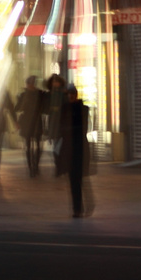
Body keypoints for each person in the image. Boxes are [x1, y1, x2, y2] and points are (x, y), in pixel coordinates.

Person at [59, 84, 91, 217]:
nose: (70, 96)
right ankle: (77, 208)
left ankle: (78, 208)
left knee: (77, 179)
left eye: (72, 94)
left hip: (79, 148)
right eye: (69, 94)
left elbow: (83, 128)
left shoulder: (82, 109)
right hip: (69, 148)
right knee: (74, 180)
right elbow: (61, 127)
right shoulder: (65, 109)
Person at [17, 76, 45, 177]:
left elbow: (44, 107)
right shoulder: (24, 95)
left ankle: (35, 166)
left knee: (37, 145)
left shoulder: (40, 94)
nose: (31, 85)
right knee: (28, 146)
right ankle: (31, 168)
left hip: (37, 121)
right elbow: (18, 108)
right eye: (30, 83)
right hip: (27, 122)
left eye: (33, 83)